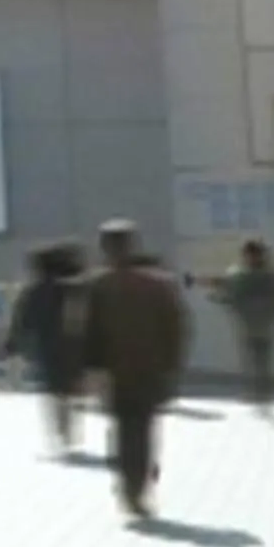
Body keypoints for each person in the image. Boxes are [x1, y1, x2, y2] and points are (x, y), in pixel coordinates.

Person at [79, 220, 188, 516]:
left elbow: (86, 332)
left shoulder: (97, 286)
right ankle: (139, 483)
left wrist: (90, 370)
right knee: (144, 428)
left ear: (104, 248)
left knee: (123, 428)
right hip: (151, 370)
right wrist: (172, 367)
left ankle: (130, 483)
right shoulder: (160, 284)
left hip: (114, 371)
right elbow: (177, 329)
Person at [8, 244, 86, 453]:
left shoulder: (34, 290)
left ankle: (60, 429)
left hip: (47, 346)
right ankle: (68, 426)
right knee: (67, 388)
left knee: (53, 389)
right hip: (74, 346)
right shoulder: (76, 288)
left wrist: (14, 345)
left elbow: (22, 320)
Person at [220, 240, 274, 413]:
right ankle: (254, 391)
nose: (252, 258)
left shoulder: (272, 275)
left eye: (254, 254)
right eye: (249, 254)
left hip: (266, 324)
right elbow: (229, 297)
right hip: (248, 323)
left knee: (264, 359)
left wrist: (272, 315)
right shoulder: (239, 274)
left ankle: (263, 392)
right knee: (250, 358)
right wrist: (239, 313)